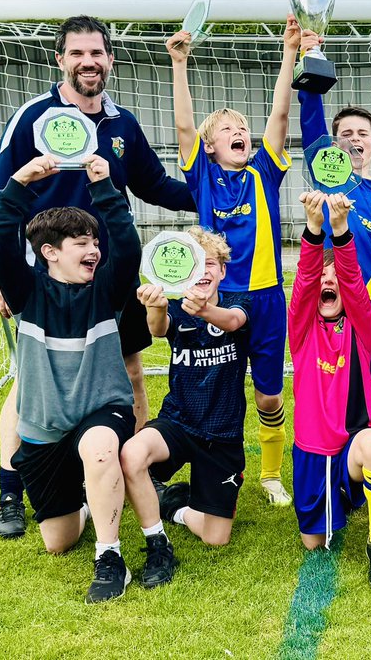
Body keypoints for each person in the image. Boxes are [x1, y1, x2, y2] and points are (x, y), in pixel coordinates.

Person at [0, 15, 197, 540]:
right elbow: (0, 194)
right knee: (31, 383)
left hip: (110, 274)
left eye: (97, 53)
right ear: (61, 59)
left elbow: (153, 183)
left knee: (129, 369)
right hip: (44, 279)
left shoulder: (122, 124)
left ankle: (137, 474)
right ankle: (13, 490)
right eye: (77, 53)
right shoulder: (34, 117)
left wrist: (221, 199)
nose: (88, 62)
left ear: (110, 60)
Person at [0, 153, 141, 603]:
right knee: (58, 540)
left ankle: (110, 558)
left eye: (93, 241)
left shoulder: (106, 287)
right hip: (45, 429)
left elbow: (127, 246)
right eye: (80, 242)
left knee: (99, 444)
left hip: (100, 410)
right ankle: (90, 499)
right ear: (49, 252)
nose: (93, 250)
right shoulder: (26, 289)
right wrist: (19, 181)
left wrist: (104, 188)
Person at [166, 16, 301, 506]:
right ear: (211, 144)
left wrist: (290, 53)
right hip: (216, 298)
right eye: (227, 129)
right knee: (218, 394)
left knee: (267, 396)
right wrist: (180, 64)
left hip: (265, 298)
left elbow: (280, 119)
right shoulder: (201, 174)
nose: (240, 131)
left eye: (242, 126)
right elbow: (184, 124)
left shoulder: (265, 169)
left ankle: (269, 474)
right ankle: (205, 468)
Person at [120, 226, 250, 588]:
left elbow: (234, 322)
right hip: (179, 421)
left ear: (223, 270)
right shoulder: (177, 306)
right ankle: (157, 543)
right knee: (131, 454)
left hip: (222, 434)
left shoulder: (240, 300)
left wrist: (207, 310)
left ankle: (175, 506)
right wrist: (156, 307)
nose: (206, 270)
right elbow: (159, 328)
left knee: (216, 537)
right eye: (199, 264)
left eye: (212, 263)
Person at [288, 191, 371, 589]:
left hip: (352, 448)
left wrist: (340, 229)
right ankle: (345, 501)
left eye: (334, 280)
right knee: (313, 544)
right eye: (323, 280)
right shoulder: (301, 331)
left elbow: (352, 279)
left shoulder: (361, 328)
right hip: (313, 456)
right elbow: (304, 279)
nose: (328, 283)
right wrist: (314, 229)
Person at [299, 46, 371, 444]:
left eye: (362, 134)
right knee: (330, 376)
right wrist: (312, 64)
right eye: (345, 135)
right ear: (333, 147)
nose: (354, 140)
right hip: (327, 298)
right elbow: (311, 124)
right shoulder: (329, 180)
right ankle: (336, 445)